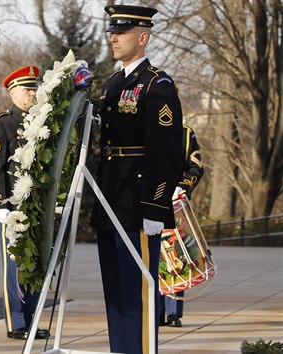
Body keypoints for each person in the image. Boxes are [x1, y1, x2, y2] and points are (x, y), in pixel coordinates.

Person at [90, 5, 184, 354]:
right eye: (112, 32)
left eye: (122, 32)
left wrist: (154, 206)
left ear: (142, 37)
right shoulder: (113, 83)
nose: (113, 37)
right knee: (116, 292)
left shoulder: (157, 84)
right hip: (111, 195)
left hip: (138, 202)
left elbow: (166, 152)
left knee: (139, 290)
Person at [0, 65, 50, 340]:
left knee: (36, 263)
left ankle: (32, 319)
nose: (32, 93)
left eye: (34, 88)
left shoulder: (42, 121)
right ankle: (17, 321)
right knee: (15, 266)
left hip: (37, 207)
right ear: (12, 92)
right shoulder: (2, 124)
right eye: (27, 89)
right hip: (12, 208)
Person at [160, 125, 204, 328]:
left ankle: (172, 312)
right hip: (147, 201)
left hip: (174, 203)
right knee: (152, 257)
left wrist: (182, 187)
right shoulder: (144, 127)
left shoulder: (185, 133)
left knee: (175, 257)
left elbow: (196, 166)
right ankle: (156, 310)